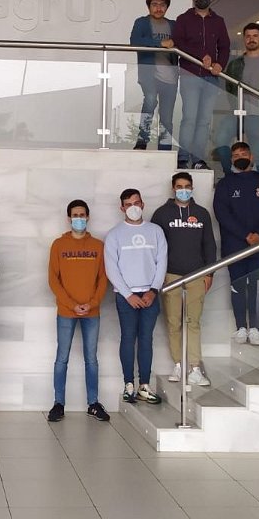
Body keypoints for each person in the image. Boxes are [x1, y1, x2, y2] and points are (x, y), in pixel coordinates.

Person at [47, 200, 110, 422]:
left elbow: (103, 279)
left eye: (82, 215)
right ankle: (58, 404)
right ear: (69, 218)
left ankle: (93, 403)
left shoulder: (98, 246)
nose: (79, 218)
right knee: (61, 358)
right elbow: (53, 280)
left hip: (91, 312)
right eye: (75, 215)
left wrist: (91, 303)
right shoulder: (58, 245)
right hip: (66, 311)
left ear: (88, 217)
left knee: (91, 359)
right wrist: (71, 304)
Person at [150, 173, 216, 385]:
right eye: (179, 186)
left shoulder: (201, 213)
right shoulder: (161, 214)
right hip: (171, 276)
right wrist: (158, 275)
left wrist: (209, 273)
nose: (183, 190)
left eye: (187, 186)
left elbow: (209, 244)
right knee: (173, 322)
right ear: (173, 188)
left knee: (193, 322)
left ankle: (195, 367)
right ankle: (178, 365)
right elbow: (155, 248)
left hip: (197, 275)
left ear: (192, 187)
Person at [104, 189, 166, 405]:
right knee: (128, 338)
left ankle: (144, 385)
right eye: (129, 204)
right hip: (125, 297)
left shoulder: (156, 231)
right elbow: (111, 268)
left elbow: (162, 262)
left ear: (143, 204)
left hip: (150, 294)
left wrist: (153, 290)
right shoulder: (114, 234)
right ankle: (128, 385)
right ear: (122, 207)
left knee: (146, 339)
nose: (133, 207)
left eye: (137, 203)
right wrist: (128, 294)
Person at [214, 143, 259, 345]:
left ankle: (255, 329)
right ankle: (241, 327)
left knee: (256, 288)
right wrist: (245, 235)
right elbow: (222, 213)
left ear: (251, 157)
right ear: (231, 160)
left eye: (243, 154)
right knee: (238, 287)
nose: (240, 157)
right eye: (236, 155)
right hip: (234, 246)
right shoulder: (225, 184)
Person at [171, 0, 229, 169]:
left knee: (204, 121)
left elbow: (225, 47)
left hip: (211, 77)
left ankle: (197, 159)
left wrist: (220, 64)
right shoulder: (183, 19)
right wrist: (200, 55)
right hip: (190, 74)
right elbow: (178, 43)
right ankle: (182, 158)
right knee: (189, 117)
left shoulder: (219, 21)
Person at [221, 22, 259, 169]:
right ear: (244, 38)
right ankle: (229, 175)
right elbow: (229, 89)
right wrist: (235, 106)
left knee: (256, 154)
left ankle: (255, 180)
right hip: (238, 113)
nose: (251, 39)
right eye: (248, 36)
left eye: (255, 36)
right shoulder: (235, 64)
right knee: (221, 140)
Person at [129, 0, 177, 151]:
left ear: (167, 7)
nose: (158, 8)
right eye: (154, 4)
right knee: (150, 100)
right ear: (148, 6)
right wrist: (160, 44)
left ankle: (165, 149)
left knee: (167, 118)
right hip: (149, 74)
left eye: (162, 5)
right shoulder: (142, 22)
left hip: (170, 77)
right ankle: (142, 140)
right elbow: (135, 41)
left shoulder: (173, 25)